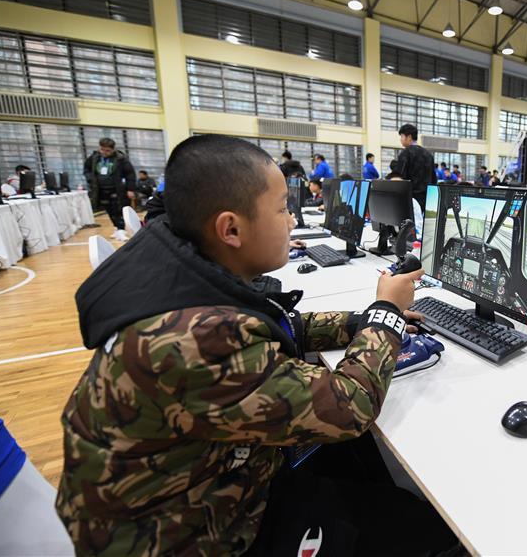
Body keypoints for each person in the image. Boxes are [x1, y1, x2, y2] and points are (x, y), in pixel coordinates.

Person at [57, 134, 457, 556]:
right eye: (283, 208)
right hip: (192, 537)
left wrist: (358, 322)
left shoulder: (182, 278)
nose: (291, 221)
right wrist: (385, 314)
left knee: (360, 465)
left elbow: (281, 326)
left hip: (195, 493)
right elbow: (349, 406)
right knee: (422, 529)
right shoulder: (199, 339)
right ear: (230, 228)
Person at [83, 137, 136, 242]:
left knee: (118, 209)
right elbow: (87, 169)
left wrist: (130, 189)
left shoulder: (121, 159)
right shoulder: (94, 158)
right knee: (109, 210)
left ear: (113, 149)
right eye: (102, 149)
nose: (104, 152)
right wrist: (90, 179)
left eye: (107, 150)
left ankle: (121, 229)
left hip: (116, 189)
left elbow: (130, 174)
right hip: (101, 189)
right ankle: (116, 228)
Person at [396, 124, 435, 210]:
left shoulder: (405, 154)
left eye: (402, 136)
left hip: (410, 200)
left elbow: (399, 180)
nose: (400, 139)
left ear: (409, 137)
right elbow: (433, 180)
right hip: (426, 200)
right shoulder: (428, 155)